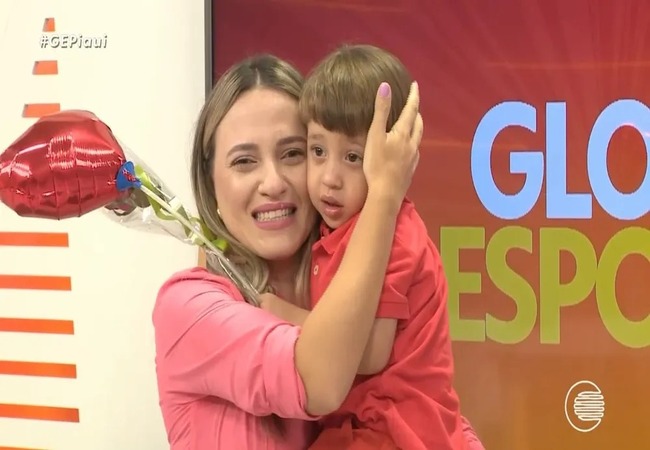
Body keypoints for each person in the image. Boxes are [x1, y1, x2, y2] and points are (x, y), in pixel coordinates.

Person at [152, 53, 422, 450]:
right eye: (244, 162)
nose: (273, 182)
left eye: (293, 153)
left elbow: (424, 401)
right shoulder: (188, 307)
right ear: (210, 184)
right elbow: (321, 379)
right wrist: (384, 196)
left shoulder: (358, 279)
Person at [257, 45, 485, 450]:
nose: (329, 177)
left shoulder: (394, 236)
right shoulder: (332, 229)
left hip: (400, 431)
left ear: (394, 158)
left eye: (353, 157)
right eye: (317, 150)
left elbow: (370, 354)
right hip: (359, 423)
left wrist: (277, 312)